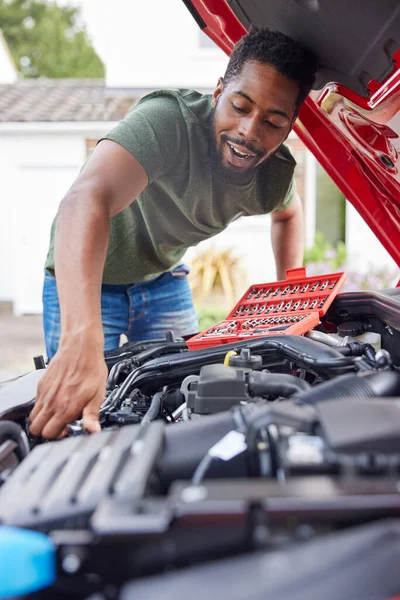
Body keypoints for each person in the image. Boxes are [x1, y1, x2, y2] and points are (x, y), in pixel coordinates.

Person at [30, 27, 318, 439]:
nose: (250, 131)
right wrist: (82, 337)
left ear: (289, 127)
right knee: (79, 409)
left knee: (185, 397)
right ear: (219, 91)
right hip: (87, 280)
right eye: (240, 106)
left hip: (163, 280)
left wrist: (290, 297)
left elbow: (288, 214)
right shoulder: (169, 122)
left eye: (273, 122)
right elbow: (84, 199)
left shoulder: (271, 177)